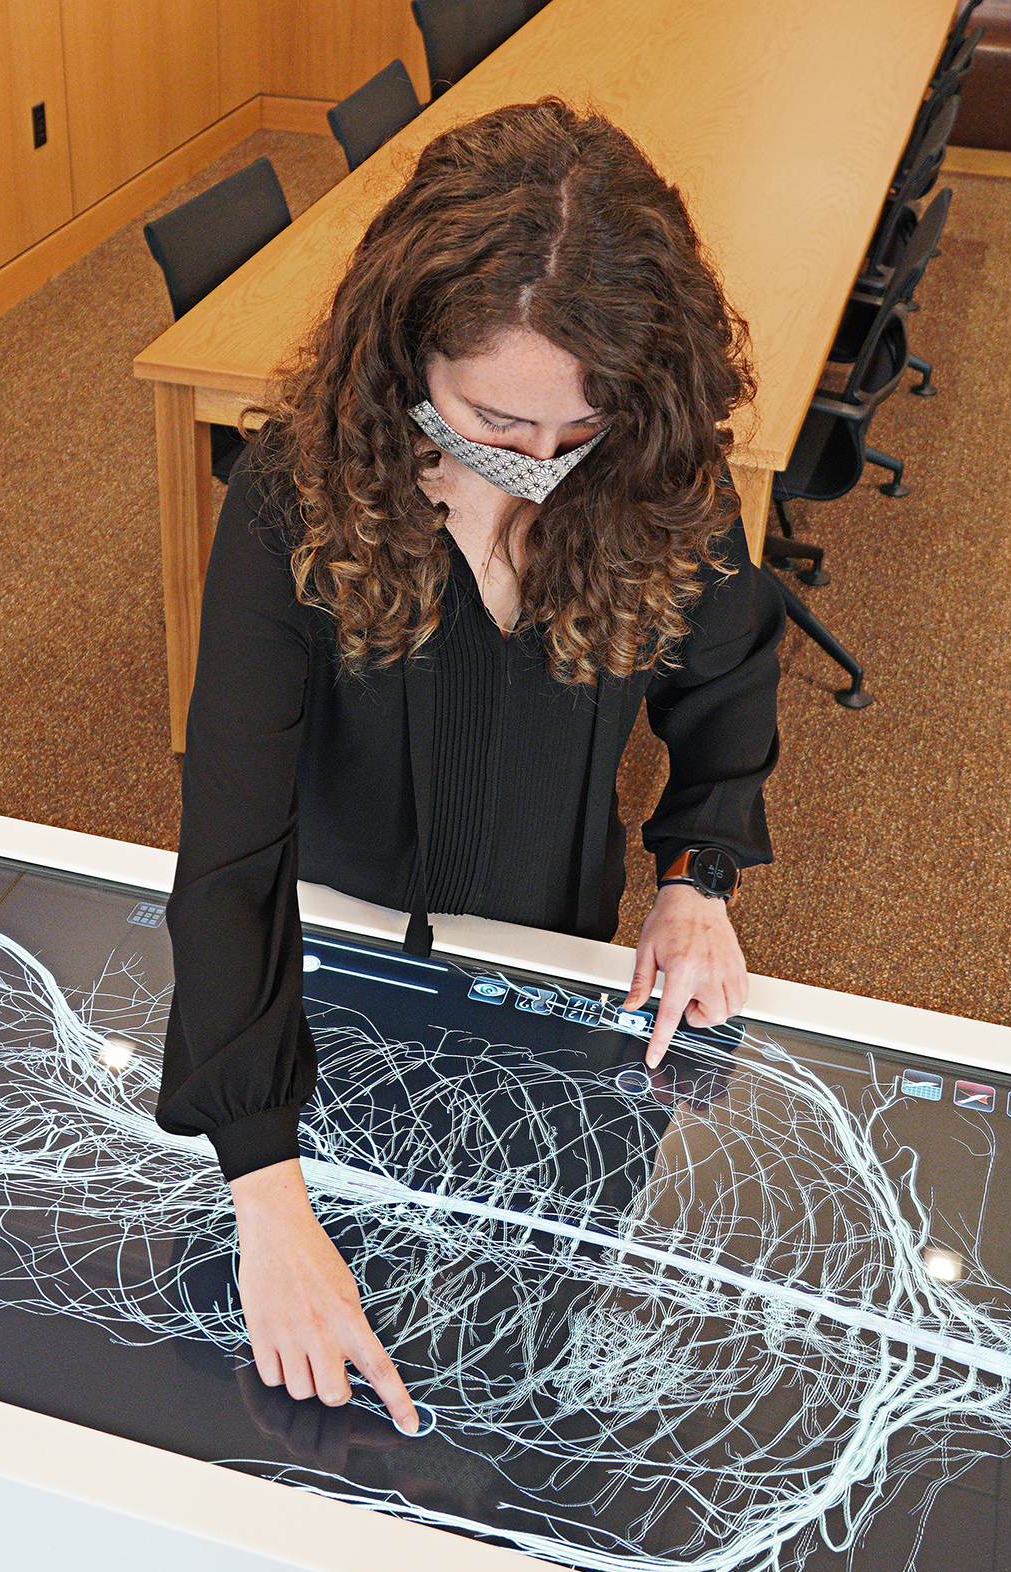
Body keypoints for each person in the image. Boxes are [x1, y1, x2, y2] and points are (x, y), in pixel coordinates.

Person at [156, 100, 785, 1437]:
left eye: (580, 430)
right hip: (324, 973)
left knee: (526, 1326)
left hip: (546, 948)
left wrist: (697, 874)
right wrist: (263, 1188)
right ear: (406, 358)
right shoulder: (291, 496)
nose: (545, 470)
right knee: (284, 1376)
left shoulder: (656, 470)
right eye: (496, 422)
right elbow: (230, 860)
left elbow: (725, 678)